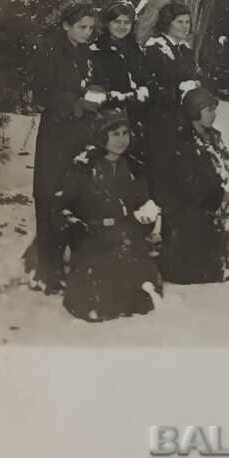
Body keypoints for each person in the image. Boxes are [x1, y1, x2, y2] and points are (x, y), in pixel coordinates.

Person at [54, 110, 163, 322]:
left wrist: (144, 218)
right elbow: (62, 207)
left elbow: (145, 202)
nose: (121, 140)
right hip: (93, 240)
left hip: (127, 238)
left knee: (139, 300)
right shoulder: (83, 167)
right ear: (102, 135)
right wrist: (77, 231)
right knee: (95, 302)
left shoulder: (134, 166)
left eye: (125, 133)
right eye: (115, 134)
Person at [26, 1, 98, 293]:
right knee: (50, 193)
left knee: (76, 193)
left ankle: (74, 261)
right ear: (67, 25)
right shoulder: (49, 50)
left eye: (91, 28)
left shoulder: (86, 53)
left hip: (82, 132)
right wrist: (73, 103)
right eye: (82, 27)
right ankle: (47, 268)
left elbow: (92, 83)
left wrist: (95, 96)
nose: (87, 33)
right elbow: (42, 92)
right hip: (56, 133)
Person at [151, 86, 229, 285]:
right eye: (209, 110)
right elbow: (185, 183)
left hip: (217, 212)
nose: (214, 114)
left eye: (214, 109)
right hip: (190, 216)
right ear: (194, 111)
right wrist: (218, 195)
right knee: (195, 271)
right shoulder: (180, 141)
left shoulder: (215, 137)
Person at [89, 0, 150, 160]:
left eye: (126, 22)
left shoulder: (135, 50)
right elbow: (96, 88)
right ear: (107, 23)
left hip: (136, 119)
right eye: (117, 22)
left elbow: (144, 79)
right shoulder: (96, 51)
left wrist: (143, 94)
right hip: (109, 122)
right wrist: (116, 99)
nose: (122, 26)